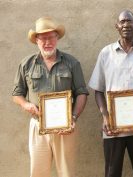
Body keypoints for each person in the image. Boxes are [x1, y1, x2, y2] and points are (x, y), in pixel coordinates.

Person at [88, 10, 133, 177]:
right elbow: (98, 89)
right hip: (112, 128)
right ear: (116, 26)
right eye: (122, 22)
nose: (126, 25)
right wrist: (105, 116)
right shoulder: (106, 53)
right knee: (112, 173)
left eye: (129, 21)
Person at [12, 17, 89, 177]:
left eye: (51, 37)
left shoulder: (71, 63)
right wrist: (26, 105)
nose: (48, 42)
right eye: (43, 38)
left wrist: (73, 117)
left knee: (67, 173)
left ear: (57, 38)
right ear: (36, 41)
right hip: (38, 127)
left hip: (66, 128)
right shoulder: (26, 64)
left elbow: (81, 92)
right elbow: (17, 93)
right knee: (38, 173)